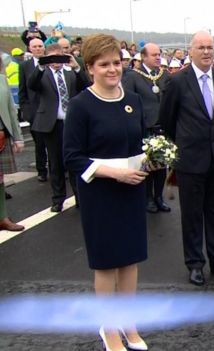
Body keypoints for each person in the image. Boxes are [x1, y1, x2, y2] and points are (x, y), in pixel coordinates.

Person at [63, 33, 150, 351]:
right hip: (101, 192)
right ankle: (109, 328)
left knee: (130, 260)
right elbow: (72, 156)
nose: (113, 69)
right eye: (104, 64)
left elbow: (137, 145)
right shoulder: (81, 106)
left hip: (131, 188)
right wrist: (115, 174)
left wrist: (151, 160)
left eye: (117, 62)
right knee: (107, 263)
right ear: (90, 68)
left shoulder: (133, 101)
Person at [159, 31, 214, 286]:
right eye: (201, 47)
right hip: (190, 161)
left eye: (210, 47)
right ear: (191, 51)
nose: (207, 52)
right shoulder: (177, 82)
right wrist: (185, 144)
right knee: (192, 215)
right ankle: (195, 263)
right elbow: (166, 120)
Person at [27, 43, 89, 212]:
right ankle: (58, 199)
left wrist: (77, 68)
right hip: (52, 125)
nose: (56, 62)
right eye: (52, 58)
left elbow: (87, 85)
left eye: (59, 57)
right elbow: (31, 85)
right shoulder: (43, 74)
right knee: (55, 164)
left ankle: (80, 198)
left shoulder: (70, 73)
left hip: (72, 124)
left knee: (75, 161)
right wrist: (40, 66)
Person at [122, 43, 172, 214]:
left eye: (159, 54)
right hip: (144, 127)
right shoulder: (132, 76)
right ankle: (147, 198)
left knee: (161, 165)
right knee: (146, 165)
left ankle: (159, 196)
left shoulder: (164, 75)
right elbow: (127, 102)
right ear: (143, 57)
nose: (158, 57)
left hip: (162, 127)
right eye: (154, 55)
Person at [0, 59, 25, 231]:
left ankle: (2, 217)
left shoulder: (2, 79)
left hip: (2, 136)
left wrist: (18, 137)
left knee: (0, 180)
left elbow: (10, 109)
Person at [18, 38, 48, 182]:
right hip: (34, 112)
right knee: (39, 144)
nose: (38, 49)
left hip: (50, 109)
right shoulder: (25, 66)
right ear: (30, 49)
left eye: (40, 46)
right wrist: (26, 111)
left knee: (55, 143)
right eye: (34, 46)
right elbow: (22, 90)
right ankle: (41, 170)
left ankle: (60, 168)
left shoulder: (51, 63)